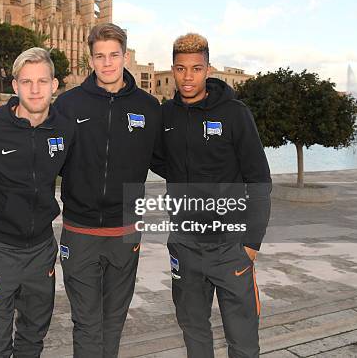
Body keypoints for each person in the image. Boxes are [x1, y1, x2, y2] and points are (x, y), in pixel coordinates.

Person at [158, 33, 271, 358]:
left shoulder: (235, 113)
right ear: (174, 69)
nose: (188, 76)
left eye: (196, 68)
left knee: (243, 341)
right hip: (185, 246)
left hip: (230, 247)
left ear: (208, 69)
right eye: (181, 69)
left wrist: (250, 243)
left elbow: (259, 180)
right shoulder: (166, 116)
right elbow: (160, 160)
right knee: (194, 333)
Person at [53, 23, 162, 357]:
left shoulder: (148, 107)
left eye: (114, 55)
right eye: (100, 56)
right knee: (86, 322)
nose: (108, 63)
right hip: (79, 231)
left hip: (125, 231)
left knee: (113, 322)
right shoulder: (69, 104)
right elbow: (46, 160)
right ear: (91, 60)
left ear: (125, 56)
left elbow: (171, 161)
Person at [0, 47, 74, 357]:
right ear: (15, 86)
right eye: (26, 82)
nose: (34, 89)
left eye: (42, 81)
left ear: (54, 85)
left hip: (41, 251)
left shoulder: (64, 130)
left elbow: (83, 175)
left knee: (32, 339)